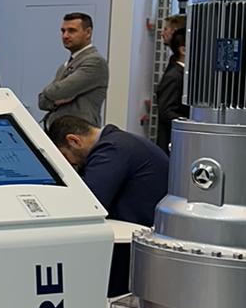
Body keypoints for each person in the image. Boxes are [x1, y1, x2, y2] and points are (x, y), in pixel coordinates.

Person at [47, 115, 168, 294]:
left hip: (133, 245)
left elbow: (90, 204)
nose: (71, 165)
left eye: (65, 156)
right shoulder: (120, 141)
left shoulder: (112, 149)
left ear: (74, 141)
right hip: (146, 237)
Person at [38, 12, 109, 129]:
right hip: (59, 130)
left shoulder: (95, 62)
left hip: (80, 132)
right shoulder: (65, 66)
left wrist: (49, 93)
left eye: (71, 31)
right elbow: (41, 102)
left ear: (88, 32)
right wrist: (54, 101)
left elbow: (56, 92)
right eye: (63, 31)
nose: (65, 36)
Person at [155, 25, 185, 153]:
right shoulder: (174, 76)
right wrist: (188, 122)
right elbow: (166, 111)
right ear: (183, 50)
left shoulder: (181, 73)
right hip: (171, 143)